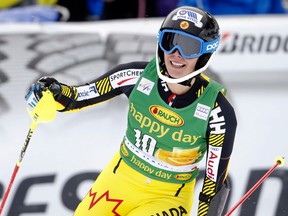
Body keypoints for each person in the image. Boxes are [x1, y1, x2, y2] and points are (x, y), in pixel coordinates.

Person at [25, 6, 237, 216]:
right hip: (119, 180)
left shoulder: (217, 111)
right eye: (170, 42)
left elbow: (213, 182)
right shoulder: (134, 75)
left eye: (189, 47)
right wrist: (53, 90)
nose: (176, 55)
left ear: (205, 53)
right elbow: (78, 97)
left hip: (167, 197)